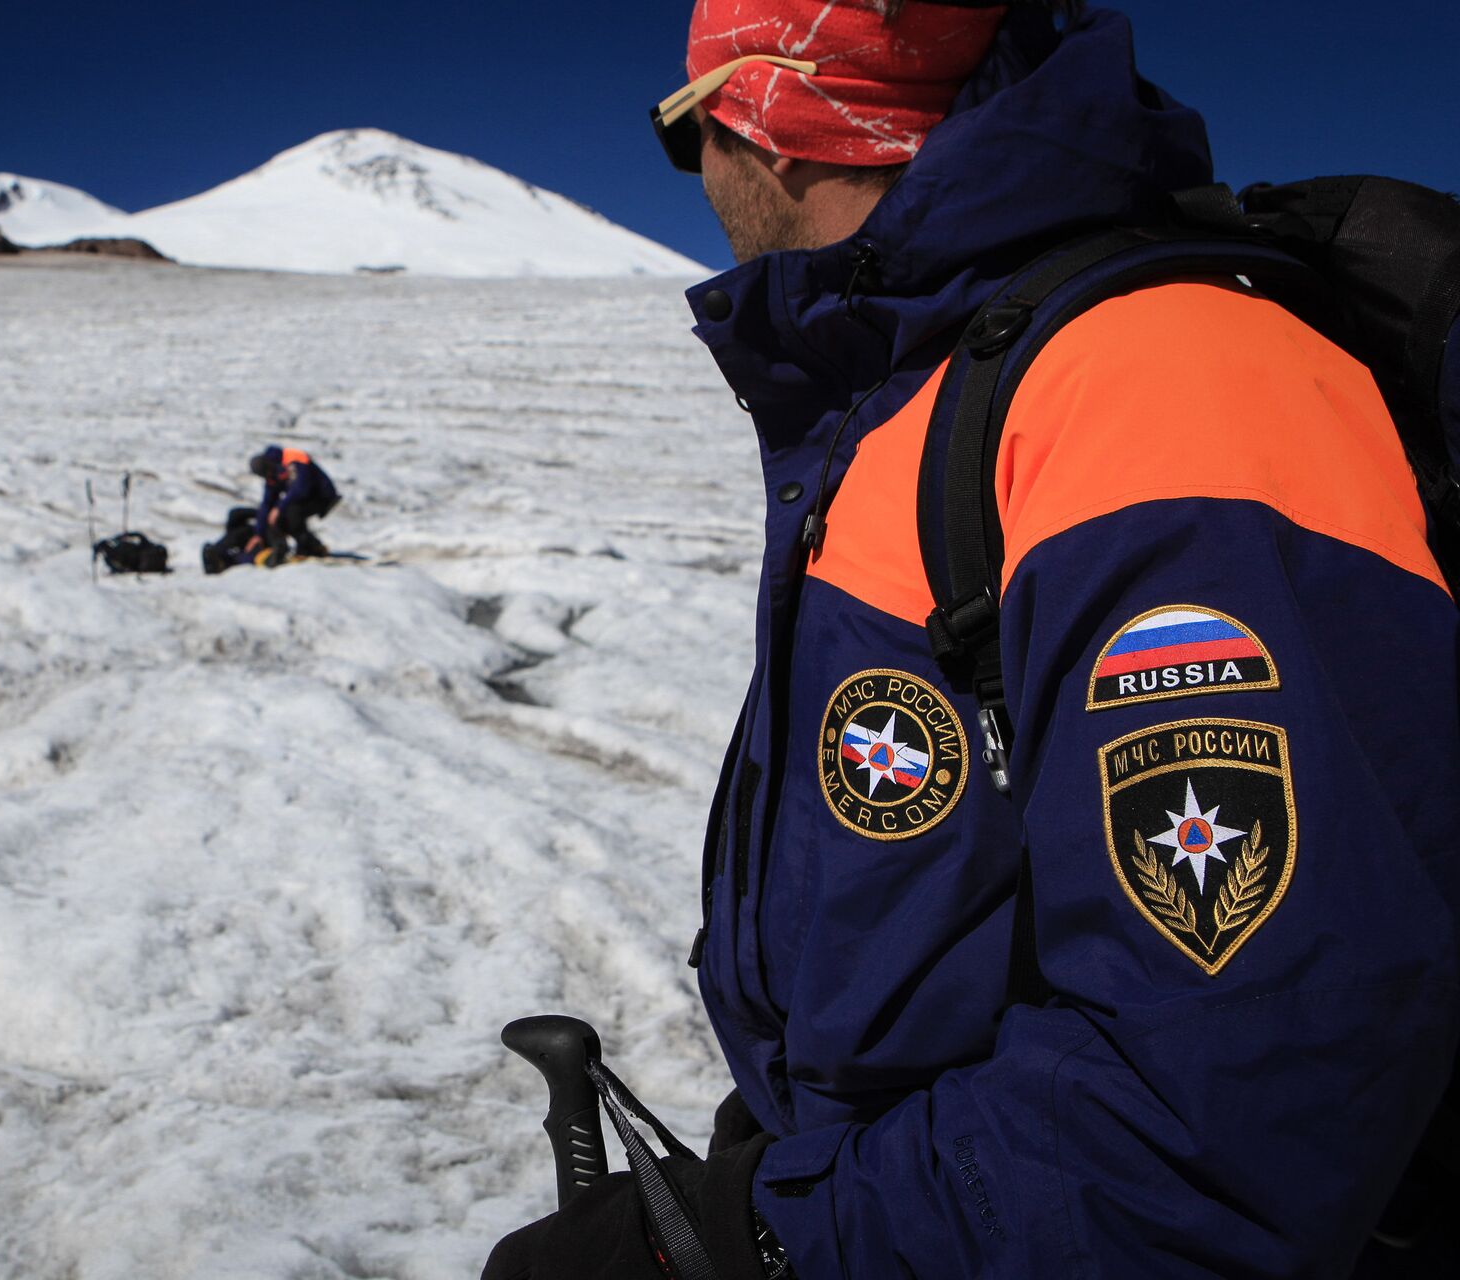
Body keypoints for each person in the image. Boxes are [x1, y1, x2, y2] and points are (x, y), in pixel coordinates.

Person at [485, 3, 1459, 1278]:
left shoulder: (1154, 382)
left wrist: (765, 1242)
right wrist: (790, 1147)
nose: (701, 168)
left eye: (687, 132)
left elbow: (1235, 1092)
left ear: (770, 124)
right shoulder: (923, 392)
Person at [247, 445, 340, 562]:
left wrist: (279, 508)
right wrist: (258, 534)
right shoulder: (271, 475)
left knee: (292, 513)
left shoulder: (293, 458)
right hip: (302, 499)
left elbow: (302, 488)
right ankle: (304, 546)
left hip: (322, 495)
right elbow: (267, 504)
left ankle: (308, 548)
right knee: (277, 517)